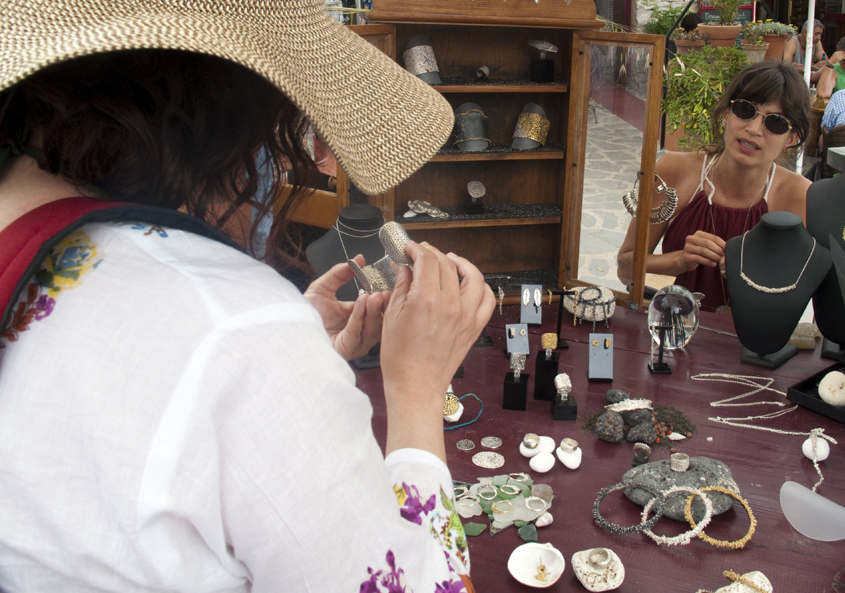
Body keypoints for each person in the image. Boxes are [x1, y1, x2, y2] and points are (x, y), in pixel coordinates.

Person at [0, 1, 495, 592]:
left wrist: (302, 355)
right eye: (284, 130)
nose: (288, 161)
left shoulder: (25, 227)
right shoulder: (243, 330)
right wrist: (417, 385)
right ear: (224, 119)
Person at [617, 60, 812, 312]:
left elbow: (799, 296)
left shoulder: (800, 196)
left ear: (792, 138)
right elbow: (625, 267)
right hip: (674, 325)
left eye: (775, 123)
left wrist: (753, 276)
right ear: (726, 114)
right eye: (745, 110)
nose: (754, 129)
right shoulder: (673, 170)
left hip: (749, 335)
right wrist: (679, 260)